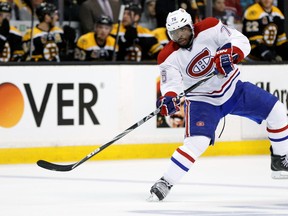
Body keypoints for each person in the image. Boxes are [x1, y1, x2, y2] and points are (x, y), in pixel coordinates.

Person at [148, 8, 288, 201]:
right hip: (202, 101)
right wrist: (169, 98)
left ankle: (280, 159)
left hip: (233, 89)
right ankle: (165, 182)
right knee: (197, 143)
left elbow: (242, 41)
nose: (179, 36)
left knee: (278, 111)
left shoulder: (210, 27)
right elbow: (170, 84)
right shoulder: (166, 56)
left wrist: (232, 53)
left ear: (191, 25)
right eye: (174, 33)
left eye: (183, 31)